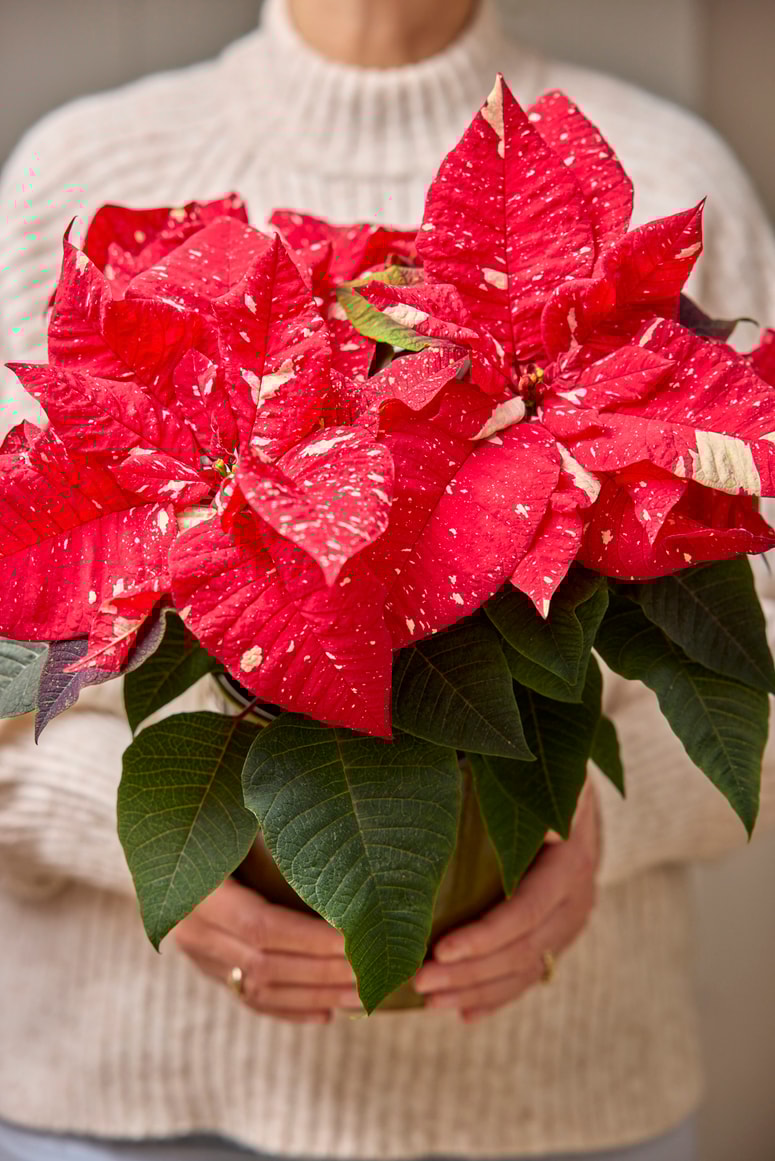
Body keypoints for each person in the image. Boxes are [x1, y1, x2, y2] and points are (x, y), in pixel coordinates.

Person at [0, 1, 774, 1159]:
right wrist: (134, 845)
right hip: (126, 1105)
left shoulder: (667, 159)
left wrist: (603, 822)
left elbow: (755, 663)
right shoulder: (92, 167)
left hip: (559, 1109)